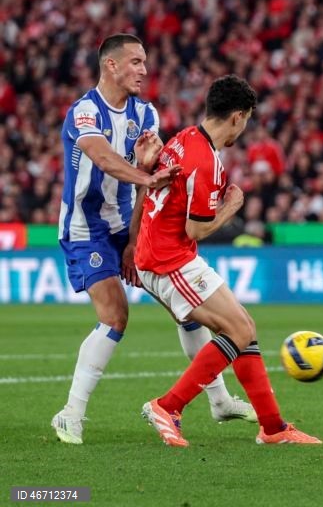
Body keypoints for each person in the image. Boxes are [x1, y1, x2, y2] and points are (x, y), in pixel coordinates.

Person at [53, 34, 255, 445]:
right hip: (85, 229)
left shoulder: (145, 114)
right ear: (111, 65)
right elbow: (104, 159)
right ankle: (70, 412)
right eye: (136, 62)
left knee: (188, 312)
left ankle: (219, 401)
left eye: (144, 62)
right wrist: (146, 175)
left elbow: (153, 183)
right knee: (115, 315)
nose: (144, 70)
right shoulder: (84, 113)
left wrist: (133, 238)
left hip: (129, 225)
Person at [135, 74, 321, 447]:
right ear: (237, 117)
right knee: (238, 330)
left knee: (243, 328)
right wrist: (230, 208)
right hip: (169, 259)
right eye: (248, 118)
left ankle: (273, 427)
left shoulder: (184, 137)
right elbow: (196, 231)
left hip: (159, 252)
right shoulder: (207, 162)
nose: (246, 127)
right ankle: (167, 406)